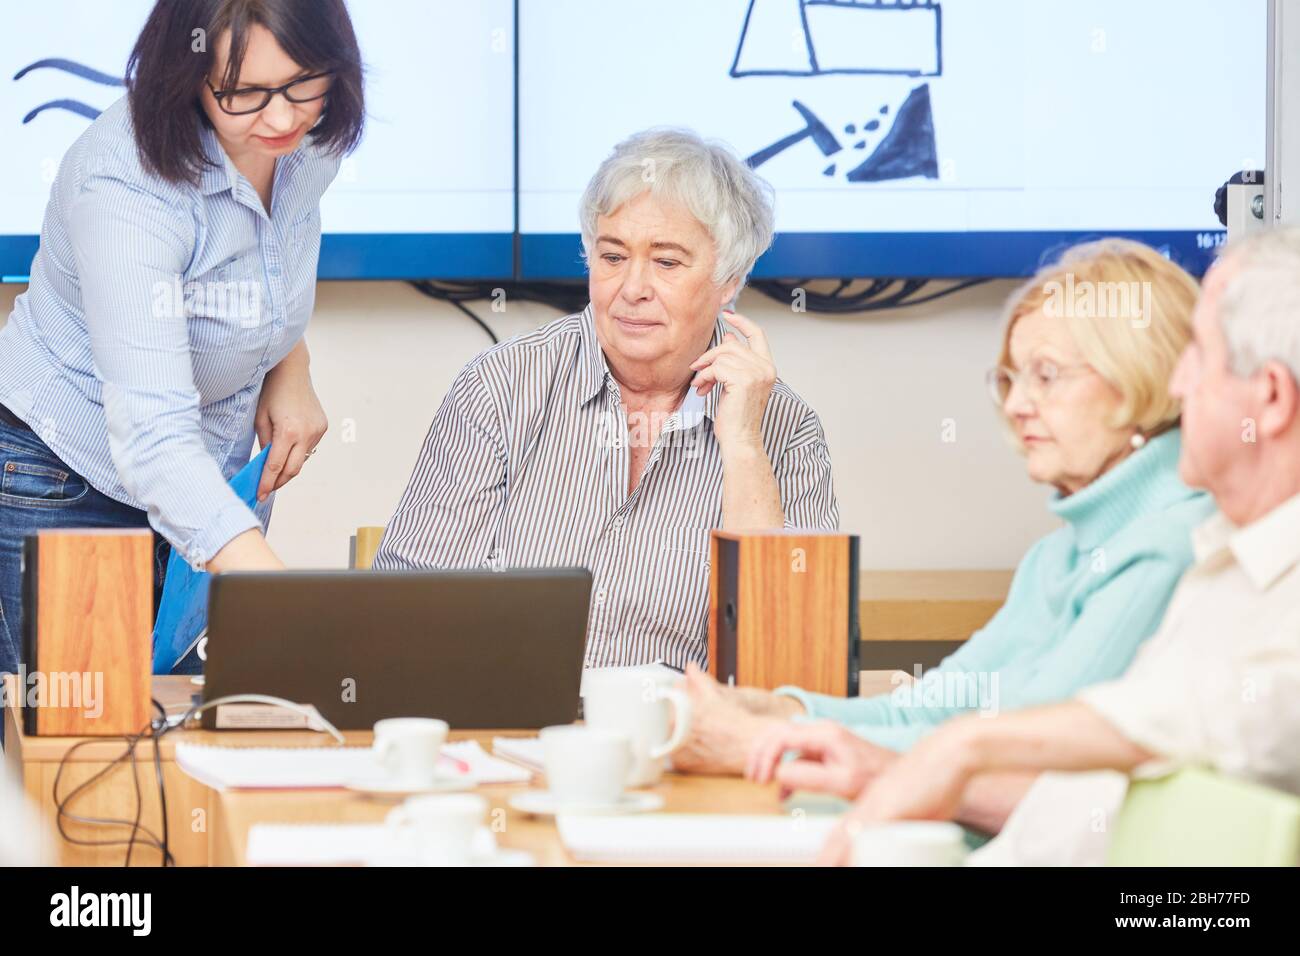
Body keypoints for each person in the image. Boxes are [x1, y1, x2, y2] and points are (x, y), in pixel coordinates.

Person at [770, 228, 1300, 866]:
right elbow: (978, 724)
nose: (1179, 386)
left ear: (1269, 398)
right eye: (1012, 379)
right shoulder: (1224, 559)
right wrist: (788, 717)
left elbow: (1234, 716)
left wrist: (956, 751)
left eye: (1201, 355)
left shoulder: (1187, 549)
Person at [672, 238, 1215, 773]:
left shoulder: (1170, 548)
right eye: (1012, 379)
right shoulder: (1059, 555)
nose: (1018, 405)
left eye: (1046, 376)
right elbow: (937, 707)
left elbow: (1019, 756)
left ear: (1140, 372)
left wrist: (773, 738)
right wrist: (786, 711)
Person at [374, 128, 838, 668]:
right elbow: (409, 612)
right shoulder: (502, 386)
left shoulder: (783, 425)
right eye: (613, 256)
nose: (632, 287)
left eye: (666, 262)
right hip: (516, 727)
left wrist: (742, 447)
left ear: (729, 279)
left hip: (682, 738)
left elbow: (791, 658)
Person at [0, 0, 364, 683]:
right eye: (246, 93)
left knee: (183, 738)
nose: (282, 118)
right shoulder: (126, 187)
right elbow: (153, 433)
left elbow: (261, 258)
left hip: (200, 484)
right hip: (63, 478)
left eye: (303, 82)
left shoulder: (312, 138)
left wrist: (292, 361)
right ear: (187, 72)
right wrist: (292, 604)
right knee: (81, 758)